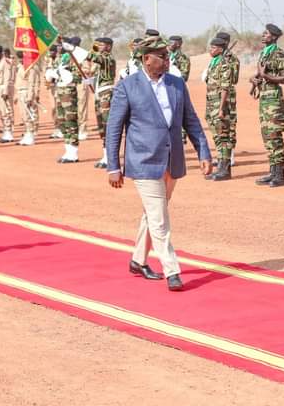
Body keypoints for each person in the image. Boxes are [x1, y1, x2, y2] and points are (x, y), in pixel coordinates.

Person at [105, 36, 212, 292]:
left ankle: (138, 260)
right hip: (143, 161)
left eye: (167, 55)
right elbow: (114, 128)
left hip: (172, 159)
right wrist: (113, 165)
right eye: (162, 56)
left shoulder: (176, 84)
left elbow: (191, 120)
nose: (167, 60)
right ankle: (172, 270)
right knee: (160, 218)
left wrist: (204, 152)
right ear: (146, 59)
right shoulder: (127, 86)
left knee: (154, 213)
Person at [251, 24, 284, 188]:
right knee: (267, 137)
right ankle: (273, 172)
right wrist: (255, 79)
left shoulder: (279, 54)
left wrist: (265, 75)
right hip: (265, 99)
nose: (263, 35)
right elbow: (261, 75)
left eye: (266, 33)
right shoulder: (264, 53)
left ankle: (280, 175)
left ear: (274, 37)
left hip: (274, 100)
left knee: (275, 137)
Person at [205, 37, 233, 180]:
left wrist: (222, 109)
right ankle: (220, 167)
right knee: (217, 137)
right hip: (211, 104)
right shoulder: (213, 63)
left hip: (219, 105)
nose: (211, 50)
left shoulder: (224, 64)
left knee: (223, 137)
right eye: (211, 47)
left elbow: (225, 88)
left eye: (214, 47)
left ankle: (225, 169)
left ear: (221, 49)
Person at [87, 37, 116, 167]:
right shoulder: (100, 62)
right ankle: (105, 156)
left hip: (106, 94)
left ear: (109, 47)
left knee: (108, 125)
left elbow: (92, 57)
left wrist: (74, 49)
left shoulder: (108, 59)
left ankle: (110, 158)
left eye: (102, 45)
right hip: (99, 94)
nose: (99, 47)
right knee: (101, 127)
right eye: (98, 45)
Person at [56, 36, 82, 162]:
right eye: (58, 46)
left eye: (61, 45)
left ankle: (73, 151)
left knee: (70, 120)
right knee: (61, 121)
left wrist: (67, 75)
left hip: (68, 91)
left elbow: (78, 77)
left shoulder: (74, 58)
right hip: (60, 91)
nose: (59, 48)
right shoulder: (61, 59)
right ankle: (67, 150)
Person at [216, 31, 240, 166]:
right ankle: (222, 155)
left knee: (229, 124)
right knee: (219, 125)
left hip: (228, 95)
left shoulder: (232, 59)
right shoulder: (218, 57)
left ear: (224, 43)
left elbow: (234, 79)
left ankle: (230, 156)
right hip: (217, 95)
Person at [14, 51, 40, 146]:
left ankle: (31, 134)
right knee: (23, 115)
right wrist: (16, 95)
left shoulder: (31, 68)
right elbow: (18, 82)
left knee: (28, 115)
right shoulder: (19, 67)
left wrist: (30, 97)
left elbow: (32, 83)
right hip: (20, 92)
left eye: (22, 57)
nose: (20, 59)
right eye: (19, 57)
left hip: (26, 92)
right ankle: (27, 133)